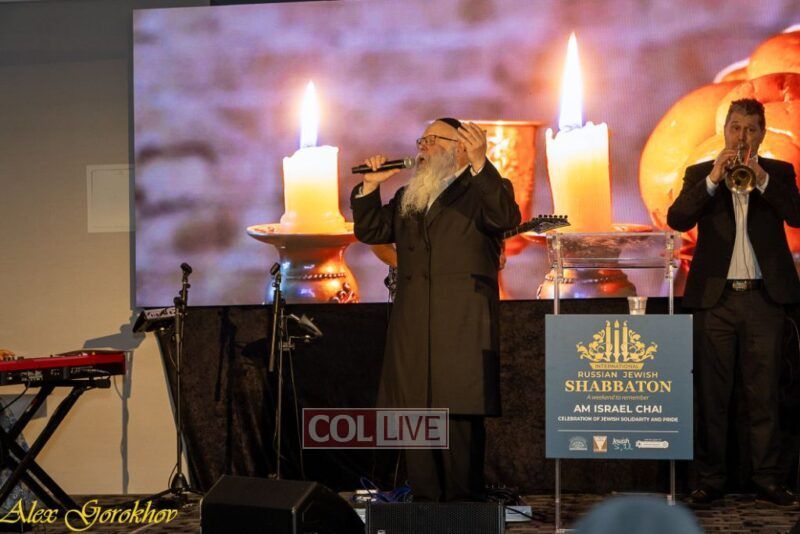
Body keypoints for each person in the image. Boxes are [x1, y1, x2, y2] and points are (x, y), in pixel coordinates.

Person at [350, 118, 520, 502]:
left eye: (432, 140)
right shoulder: (411, 194)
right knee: (415, 413)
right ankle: (425, 505)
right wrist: (370, 187)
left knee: (457, 413)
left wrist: (481, 163)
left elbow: (504, 218)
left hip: (460, 320)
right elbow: (373, 231)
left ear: (460, 146)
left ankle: (461, 508)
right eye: (421, 140)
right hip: (413, 321)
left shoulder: (483, 188)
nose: (422, 147)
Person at [667, 98, 800, 509]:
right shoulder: (699, 174)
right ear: (724, 130)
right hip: (716, 300)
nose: (742, 137)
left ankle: (767, 478)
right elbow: (677, 219)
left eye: (750, 129)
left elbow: (796, 215)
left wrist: (761, 178)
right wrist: (712, 179)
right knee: (713, 395)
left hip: (764, 298)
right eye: (736, 128)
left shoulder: (779, 172)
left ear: (762, 133)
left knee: (765, 394)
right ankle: (711, 480)